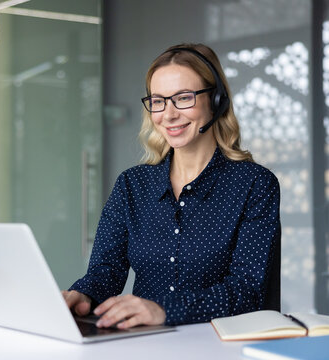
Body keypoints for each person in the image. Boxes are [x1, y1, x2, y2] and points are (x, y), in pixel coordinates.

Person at [63, 43, 281, 329]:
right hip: (145, 345)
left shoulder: (255, 184)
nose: (168, 114)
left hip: (219, 347)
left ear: (216, 101)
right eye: (158, 101)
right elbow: (106, 270)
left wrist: (165, 310)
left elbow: (247, 292)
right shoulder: (132, 184)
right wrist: (82, 294)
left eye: (183, 98)